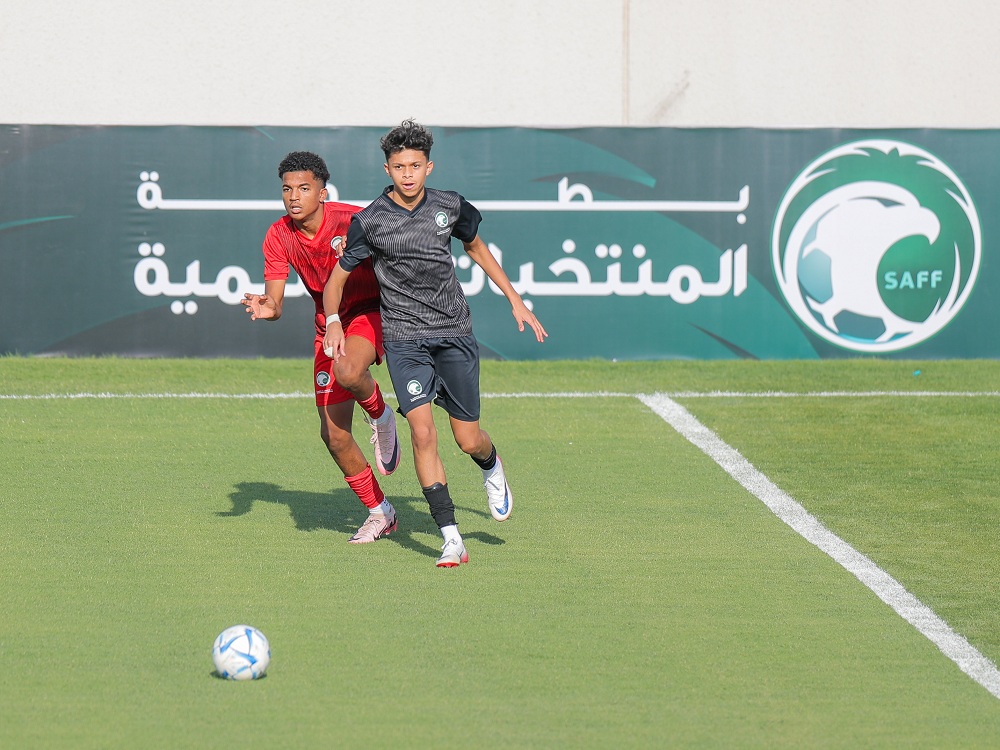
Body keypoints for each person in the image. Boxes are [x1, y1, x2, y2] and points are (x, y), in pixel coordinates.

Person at [322, 120, 547, 568]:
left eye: (415, 165)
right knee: (423, 433)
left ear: (429, 166)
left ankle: (491, 465)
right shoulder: (370, 221)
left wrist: (515, 300)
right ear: (387, 169)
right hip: (405, 340)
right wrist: (332, 322)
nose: (407, 174)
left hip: (453, 334)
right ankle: (451, 538)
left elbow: (476, 248)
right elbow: (337, 280)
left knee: (467, 439)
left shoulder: (450, 205)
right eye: (399, 166)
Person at [242, 151, 401, 544]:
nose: (294, 196)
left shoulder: (354, 219)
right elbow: (276, 302)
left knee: (349, 371)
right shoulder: (278, 234)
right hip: (327, 326)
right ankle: (380, 512)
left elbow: (398, 252)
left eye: (303, 188)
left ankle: (381, 416)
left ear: (322, 192)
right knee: (334, 436)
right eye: (287, 189)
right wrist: (268, 308)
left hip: (370, 311)